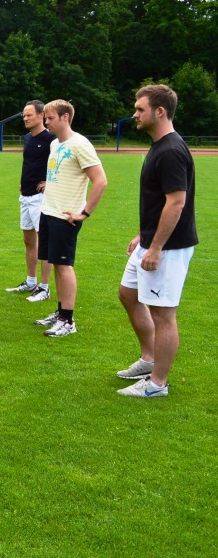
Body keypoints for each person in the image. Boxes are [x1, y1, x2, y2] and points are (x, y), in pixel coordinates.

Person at [116, 85, 196, 398]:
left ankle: (157, 384)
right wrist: (143, 235)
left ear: (159, 112)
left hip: (169, 248)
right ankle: (148, 359)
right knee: (128, 294)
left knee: (163, 314)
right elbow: (158, 201)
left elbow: (176, 202)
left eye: (139, 109)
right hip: (151, 240)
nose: (134, 114)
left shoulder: (172, 150)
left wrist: (157, 247)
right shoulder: (159, 145)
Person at [34, 100, 107, 338]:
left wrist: (84, 212)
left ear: (65, 117)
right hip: (49, 211)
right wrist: (49, 184)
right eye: (45, 118)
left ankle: (68, 320)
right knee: (56, 264)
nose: (46, 122)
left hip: (66, 218)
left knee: (64, 266)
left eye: (51, 118)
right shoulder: (56, 143)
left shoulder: (80, 144)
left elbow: (100, 180)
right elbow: (61, 172)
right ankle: (60, 312)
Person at [6, 101, 55, 302]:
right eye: (24, 116)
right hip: (25, 196)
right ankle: (30, 281)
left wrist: (49, 182)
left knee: (44, 241)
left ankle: (44, 287)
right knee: (29, 240)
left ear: (41, 115)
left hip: (40, 198)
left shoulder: (52, 139)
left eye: (29, 115)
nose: (26, 118)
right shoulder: (27, 138)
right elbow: (29, 163)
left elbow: (59, 164)